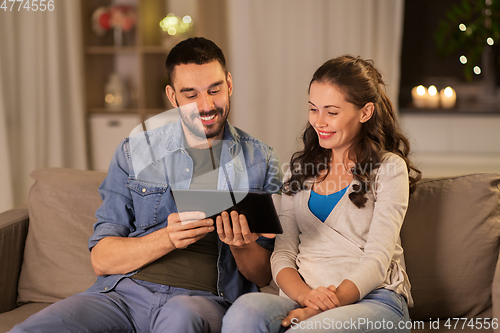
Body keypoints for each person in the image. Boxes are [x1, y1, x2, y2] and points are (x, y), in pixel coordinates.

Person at [10, 37, 282, 333]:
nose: (206, 105)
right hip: (122, 296)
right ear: (172, 96)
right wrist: (167, 238)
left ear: (229, 84)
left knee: (181, 316)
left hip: (199, 300)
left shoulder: (260, 160)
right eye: (190, 94)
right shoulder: (136, 149)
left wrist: (240, 245)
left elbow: (262, 275)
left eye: (214, 90)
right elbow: (101, 259)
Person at [222, 55, 421, 333]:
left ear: (365, 113)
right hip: (303, 296)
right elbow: (283, 255)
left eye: (332, 111)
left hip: (374, 301)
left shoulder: (389, 169)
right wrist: (305, 297)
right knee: (242, 313)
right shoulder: (298, 172)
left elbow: (377, 261)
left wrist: (316, 310)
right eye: (313, 109)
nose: (319, 122)